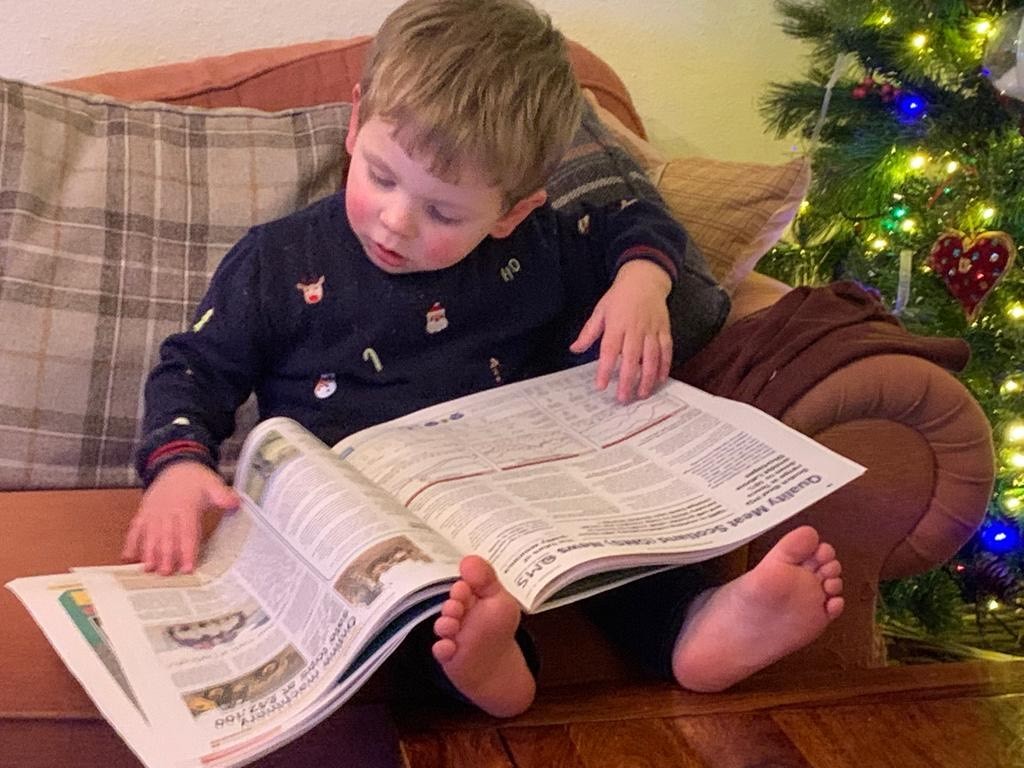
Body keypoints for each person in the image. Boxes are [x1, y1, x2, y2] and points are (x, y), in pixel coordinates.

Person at [123, 0, 843, 719]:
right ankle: (496, 665)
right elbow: (194, 368)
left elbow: (634, 220)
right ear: (355, 121)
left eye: (442, 213)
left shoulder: (530, 250)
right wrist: (179, 466)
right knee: (427, 610)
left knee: (620, 554)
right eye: (380, 175)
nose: (397, 221)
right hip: (366, 515)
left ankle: (695, 627)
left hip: (516, 489)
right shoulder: (277, 261)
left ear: (510, 210)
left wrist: (642, 281)